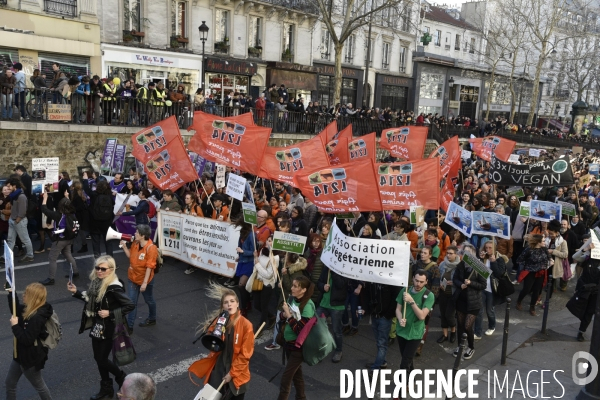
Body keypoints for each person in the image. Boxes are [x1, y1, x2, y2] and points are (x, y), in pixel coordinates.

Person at [68, 256, 134, 399]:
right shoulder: (97, 283)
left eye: (103, 269)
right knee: (98, 358)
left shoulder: (114, 287)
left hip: (110, 326)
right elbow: (91, 299)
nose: (99, 271)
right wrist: (76, 292)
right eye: (97, 268)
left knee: (101, 359)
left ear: (111, 270)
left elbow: (129, 305)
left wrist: (109, 313)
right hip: (98, 325)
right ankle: (106, 389)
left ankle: (121, 377)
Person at [188, 286, 254, 400]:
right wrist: (215, 331)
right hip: (219, 370)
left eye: (232, 301)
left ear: (237, 304)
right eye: (226, 302)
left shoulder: (246, 325)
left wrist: (231, 374)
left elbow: (245, 355)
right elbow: (212, 344)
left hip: (237, 375)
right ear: (223, 306)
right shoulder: (219, 321)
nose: (229, 304)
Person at [5, 283, 53, 400]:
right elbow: (16, 309)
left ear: (33, 298)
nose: (23, 295)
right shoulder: (30, 309)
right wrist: (11, 292)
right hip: (20, 355)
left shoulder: (37, 317)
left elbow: (27, 340)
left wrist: (15, 326)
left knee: (39, 386)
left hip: (30, 359)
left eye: (26, 294)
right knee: (10, 383)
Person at [394, 269, 435, 392]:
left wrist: (411, 301)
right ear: (412, 279)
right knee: (407, 358)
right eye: (416, 280)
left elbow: (422, 316)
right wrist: (400, 318)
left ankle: (403, 385)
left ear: (426, 282)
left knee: (404, 362)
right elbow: (397, 309)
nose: (418, 284)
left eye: (421, 282)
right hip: (402, 331)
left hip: (415, 333)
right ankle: (411, 378)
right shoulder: (404, 291)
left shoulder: (429, 295)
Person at [277, 276, 315, 400]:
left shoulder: (308, 306)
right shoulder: (293, 299)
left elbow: (300, 330)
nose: (291, 288)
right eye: (292, 285)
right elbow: (283, 318)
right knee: (297, 376)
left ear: (303, 290)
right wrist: (284, 314)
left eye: (295, 286)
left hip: (298, 348)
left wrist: (288, 316)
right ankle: (301, 397)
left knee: (286, 378)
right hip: (288, 344)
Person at [121, 224, 158, 334]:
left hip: (144, 280)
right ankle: (130, 327)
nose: (135, 234)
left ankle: (152, 318)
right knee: (132, 303)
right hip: (132, 278)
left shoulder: (151, 248)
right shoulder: (135, 243)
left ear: (142, 235)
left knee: (149, 300)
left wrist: (145, 283)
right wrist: (124, 246)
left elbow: (149, 267)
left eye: (137, 232)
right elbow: (130, 256)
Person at [452, 244, 486, 359]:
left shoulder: (478, 266)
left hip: (473, 302)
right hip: (461, 300)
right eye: (464, 252)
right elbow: (455, 278)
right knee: (460, 325)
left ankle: (471, 347)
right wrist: (460, 284)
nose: (465, 254)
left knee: (467, 326)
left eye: (468, 252)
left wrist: (471, 283)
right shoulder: (461, 265)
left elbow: (483, 285)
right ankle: (460, 346)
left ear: (472, 253)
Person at [39, 193, 80, 286]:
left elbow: (44, 210)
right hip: (69, 238)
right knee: (68, 254)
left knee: (52, 258)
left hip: (60, 239)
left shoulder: (58, 215)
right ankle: (76, 272)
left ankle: (51, 278)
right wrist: (67, 197)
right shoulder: (72, 213)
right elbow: (68, 204)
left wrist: (45, 198)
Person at [364, 279, 400, 374]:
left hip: (384, 317)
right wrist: (368, 310)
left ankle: (376, 368)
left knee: (381, 343)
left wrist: (388, 315)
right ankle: (382, 362)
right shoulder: (371, 279)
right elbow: (367, 293)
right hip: (375, 314)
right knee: (379, 340)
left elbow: (395, 298)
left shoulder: (391, 280)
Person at [473, 240, 507, 339]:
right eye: (486, 248)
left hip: (492, 289)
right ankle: (477, 332)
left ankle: (492, 326)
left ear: (494, 248)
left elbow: (499, 275)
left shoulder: (499, 259)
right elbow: (476, 271)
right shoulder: (483, 257)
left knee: (490, 311)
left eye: (490, 248)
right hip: (482, 287)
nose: (488, 250)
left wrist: (493, 262)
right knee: (479, 310)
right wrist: (479, 259)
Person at [316, 266, 348, 363]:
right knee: (318, 327)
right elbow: (319, 282)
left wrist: (334, 271)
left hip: (336, 306)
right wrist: (323, 286)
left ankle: (338, 350)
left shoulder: (344, 270)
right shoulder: (326, 268)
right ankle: (320, 350)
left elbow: (340, 285)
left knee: (336, 330)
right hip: (323, 304)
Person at [516, 234, 553, 316]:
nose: (545, 242)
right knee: (527, 289)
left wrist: (550, 260)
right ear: (538, 242)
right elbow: (520, 260)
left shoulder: (544, 249)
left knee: (537, 290)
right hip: (530, 272)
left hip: (541, 272)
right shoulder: (528, 250)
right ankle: (519, 301)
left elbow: (548, 256)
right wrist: (525, 267)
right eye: (543, 241)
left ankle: (532, 307)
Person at [0, 177, 34, 263]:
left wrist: (16, 221)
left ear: (14, 186)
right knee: (10, 240)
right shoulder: (14, 195)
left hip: (19, 221)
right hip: (13, 220)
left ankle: (30, 255)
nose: (8, 188)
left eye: (9, 186)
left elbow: (22, 212)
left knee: (25, 239)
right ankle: (6, 256)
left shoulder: (21, 196)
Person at [82, 172, 114, 259]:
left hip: (95, 222)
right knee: (108, 243)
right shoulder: (109, 195)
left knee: (96, 243)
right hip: (107, 222)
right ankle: (111, 261)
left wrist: (85, 180)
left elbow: (86, 189)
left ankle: (98, 261)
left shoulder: (94, 195)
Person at [253, 237, 279, 333]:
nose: (268, 242)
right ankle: (271, 317)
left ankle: (260, 328)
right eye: (268, 240)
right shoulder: (262, 251)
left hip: (267, 285)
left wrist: (257, 264)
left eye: (271, 241)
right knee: (256, 305)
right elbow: (256, 265)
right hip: (258, 282)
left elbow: (269, 275)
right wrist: (256, 257)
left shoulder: (275, 257)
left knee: (263, 306)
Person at [436, 245, 460, 343]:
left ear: (456, 254)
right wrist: (440, 284)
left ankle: (453, 331)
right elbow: (438, 277)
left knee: (449, 315)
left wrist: (453, 283)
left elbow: (461, 280)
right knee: (443, 314)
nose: (448, 255)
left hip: (453, 294)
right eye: (447, 253)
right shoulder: (442, 264)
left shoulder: (459, 266)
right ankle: (445, 334)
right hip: (443, 293)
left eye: (451, 253)